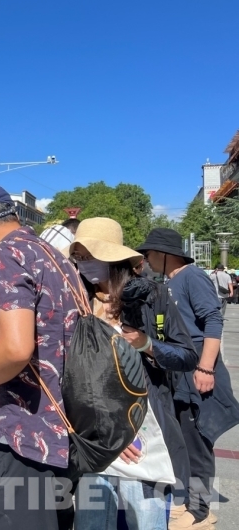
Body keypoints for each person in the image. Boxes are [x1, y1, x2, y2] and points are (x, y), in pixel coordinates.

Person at [0, 184, 80, 530]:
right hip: (59, 432)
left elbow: (15, 348)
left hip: (18, 436)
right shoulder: (53, 255)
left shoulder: (5, 255)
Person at [67, 219, 197, 530]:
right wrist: (98, 430)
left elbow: (187, 355)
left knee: (147, 519)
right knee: (91, 521)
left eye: (91, 256)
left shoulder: (152, 296)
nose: (85, 265)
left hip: (144, 432)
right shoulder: (74, 299)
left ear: (113, 257)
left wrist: (148, 344)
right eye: (79, 257)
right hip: (95, 433)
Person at [138, 228, 239, 529]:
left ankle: (201, 511)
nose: (146, 259)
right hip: (180, 369)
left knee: (197, 441)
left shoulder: (192, 276)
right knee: (182, 438)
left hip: (196, 369)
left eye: (149, 253)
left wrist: (206, 368)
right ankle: (187, 502)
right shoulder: (170, 281)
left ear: (164, 254)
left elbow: (212, 320)